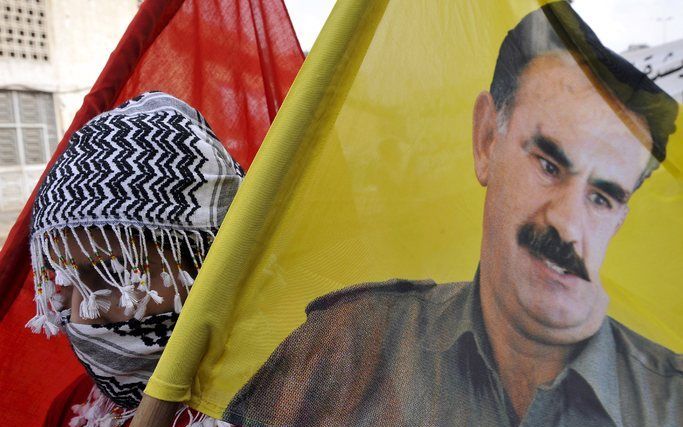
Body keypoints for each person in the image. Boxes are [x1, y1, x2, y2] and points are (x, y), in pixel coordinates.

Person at [223, 2, 682, 426]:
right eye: (548, 165)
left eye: (602, 197)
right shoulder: (348, 349)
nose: (567, 224)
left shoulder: (667, 403)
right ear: (486, 138)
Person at [28, 91, 243, 426]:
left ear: (210, 258)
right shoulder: (78, 408)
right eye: (64, 281)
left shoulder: (307, 398)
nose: (80, 319)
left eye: (114, 275)